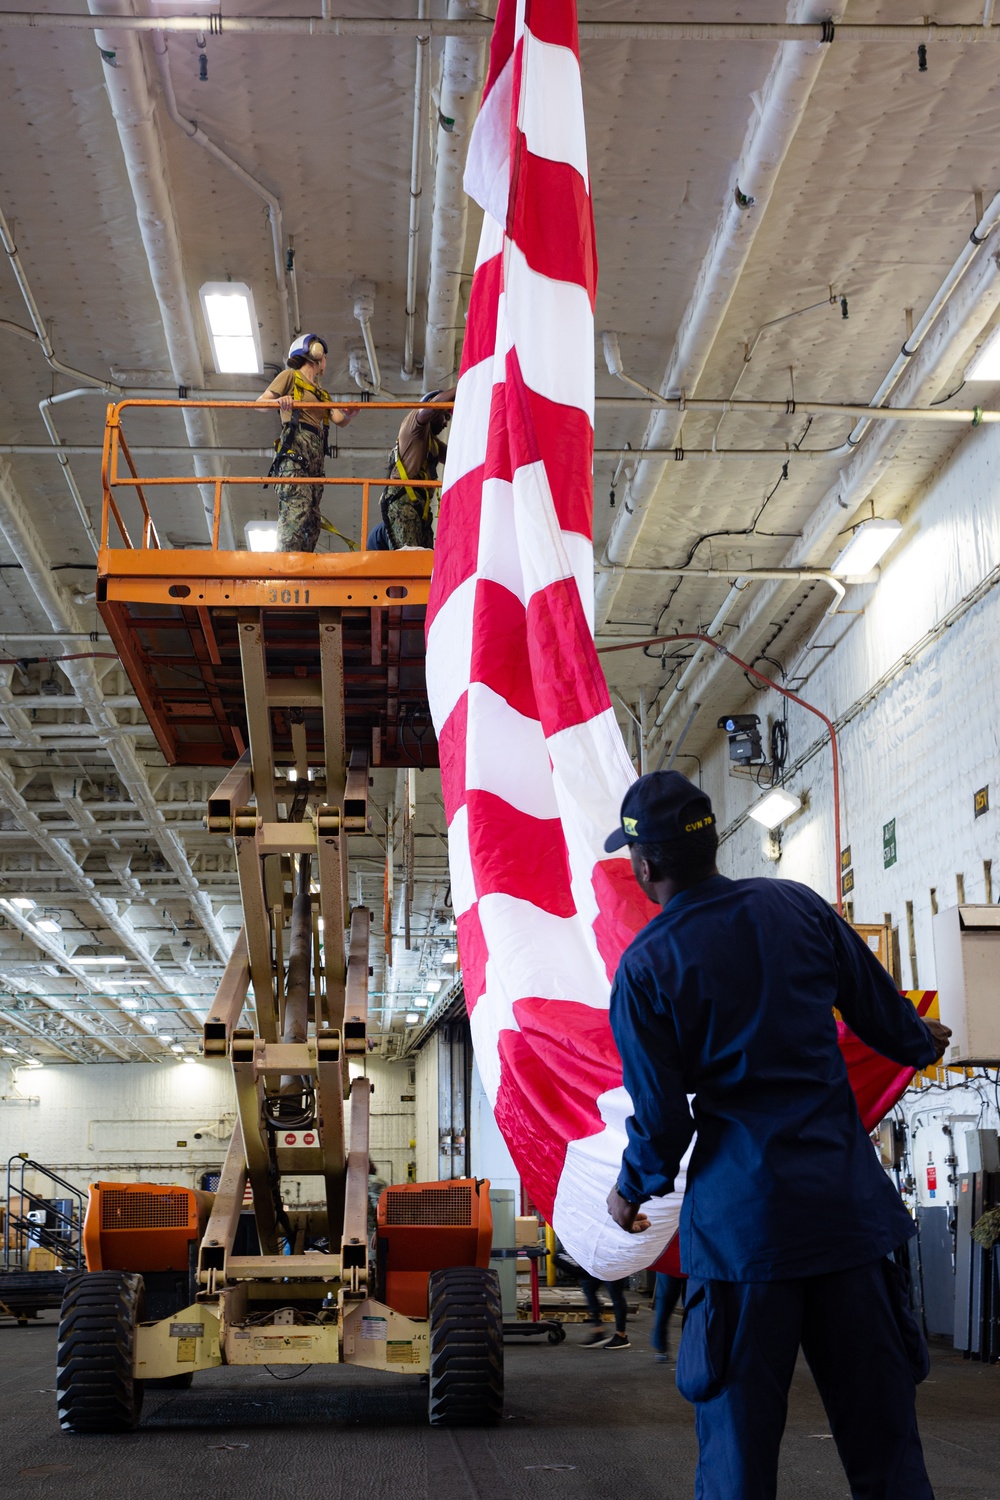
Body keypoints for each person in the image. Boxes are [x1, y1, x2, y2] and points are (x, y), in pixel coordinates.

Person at [602, 770, 951, 1500]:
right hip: (846, 1219)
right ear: (711, 845)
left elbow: (664, 1119)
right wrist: (921, 1042)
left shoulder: (646, 969)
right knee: (887, 1450)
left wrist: (631, 1189)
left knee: (738, 1460)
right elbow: (883, 1017)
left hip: (745, 1237)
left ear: (644, 866)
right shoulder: (796, 905)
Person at [258, 334, 354, 552]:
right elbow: (260, 403)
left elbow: (339, 420)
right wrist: (279, 401)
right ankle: (285, 564)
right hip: (295, 452)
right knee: (296, 511)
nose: (326, 361)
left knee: (311, 519)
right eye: (325, 356)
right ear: (315, 351)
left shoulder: (322, 394)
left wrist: (351, 413)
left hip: (315, 459)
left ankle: (303, 566)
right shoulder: (289, 376)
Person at [373, 387, 457, 549]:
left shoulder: (432, 443)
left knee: (424, 562)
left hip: (421, 510)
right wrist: (462, 385)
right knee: (409, 559)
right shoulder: (414, 425)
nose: (446, 424)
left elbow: (457, 457)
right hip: (403, 505)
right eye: (445, 416)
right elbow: (431, 407)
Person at [553, 1241, 630, 1350]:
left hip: (611, 1258)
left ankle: (621, 1336)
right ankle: (598, 1331)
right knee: (589, 1289)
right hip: (594, 1259)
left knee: (616, 1295)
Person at [651, 1270, 685, 1362]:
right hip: (689, 1260)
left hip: (668, 1261)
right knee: (692, 1306)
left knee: (664, 1303)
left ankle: (660, 1348)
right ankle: (690, 1348)